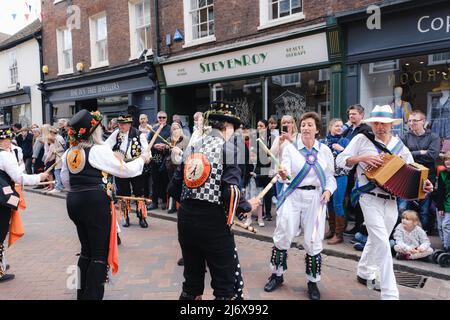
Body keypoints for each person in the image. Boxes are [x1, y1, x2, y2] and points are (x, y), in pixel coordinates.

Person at [336, 104, 433, 300]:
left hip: (391, 201)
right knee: (382, 243)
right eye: (377, 123)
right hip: (368, 198)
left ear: (391, 125)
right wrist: (362, 158)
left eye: (385, 124)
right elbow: (340, 160)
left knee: (375, 239)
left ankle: (364, 271)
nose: (380, 127)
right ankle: (390, 293)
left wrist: (426, 183)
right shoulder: (362, 139)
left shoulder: (399, 145)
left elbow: (412, 169)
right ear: (371, 124)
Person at [168, 101, 260, 300]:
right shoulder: (228, 149)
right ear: (227, 127)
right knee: (224, 285)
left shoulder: (192, 147)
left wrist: (193, 201)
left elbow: (173, 189)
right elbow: (232, 192)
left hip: (186, 220)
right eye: (233, 130)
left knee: (191, 282)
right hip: (213, 223)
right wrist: (247, 206)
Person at [61, 109, 151, 299]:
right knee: (99, 254)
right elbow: (125, 171)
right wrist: (142, 159)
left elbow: (65, 181)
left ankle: (81, 293)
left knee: (86, 251)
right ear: (94, 131)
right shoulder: (98, 150)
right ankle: (92, 296)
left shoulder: (70, 152)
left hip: (74, 202)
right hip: (94, 203)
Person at [263, 112, 336, 300]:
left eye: (310, 125)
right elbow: (285, 172)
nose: (305, 128)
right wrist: (283, 173)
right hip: (293, 195)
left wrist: (328, 191)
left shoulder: (324, 151)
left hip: (316, 199)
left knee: (313, 239)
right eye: (303, 125)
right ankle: (276, 275)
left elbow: (330, 178)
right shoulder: (290, 148)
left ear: (317, 129)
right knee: (283, 233)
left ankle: (313, 282)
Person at [0, 126, 49, 282]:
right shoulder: (5, 156)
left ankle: (1, 264)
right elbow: (19, 178)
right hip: (2, 199)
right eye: (8, 139)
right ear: (5, 140)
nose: (10, 142)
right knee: (0, 234)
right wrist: (39, 177)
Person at [105, 115, 149, 228]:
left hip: (136, 167)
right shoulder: (116, 133)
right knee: (123, 193)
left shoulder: (139, 134)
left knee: (139, 193)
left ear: (129, 124)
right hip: (121, 167)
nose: (121, 126)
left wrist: (145, 158)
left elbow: (146, 151)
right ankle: (126, 216)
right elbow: (106, 146)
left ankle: (142, 217)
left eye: (123, 124)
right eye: (119, 124)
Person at [399, 110, 440, 231]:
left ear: (423, 121)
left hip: (426, 177)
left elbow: (432, 156)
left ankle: (423, 232)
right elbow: (400, 155)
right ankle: (404, 231)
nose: (411, 123)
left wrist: (411, 155)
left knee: (424, 209)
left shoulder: (433, 137)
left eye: (414, 120)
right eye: (409, 121)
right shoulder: (405, 136)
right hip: (407, 176)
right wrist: (420, 152)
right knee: (402, 207)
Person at [341, 104, 372, 236]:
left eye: (354, 114)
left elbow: (362, 149)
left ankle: (361, 228)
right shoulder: (348, 130)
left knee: (359, 198)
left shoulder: (366, 129)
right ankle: (352, 226)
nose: (351, 116)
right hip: (347, 169)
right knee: (349, 198)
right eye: (350, 114)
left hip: (359, 169)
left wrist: (343, 149)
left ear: (361, 115)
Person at [320, 118, 350, 245]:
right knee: (329, 203)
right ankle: (331, 230)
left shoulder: (345, 141)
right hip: (327, 177)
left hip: (341, 175)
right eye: (336, 126)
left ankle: (339, 234)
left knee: (338, 203)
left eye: (341, 126)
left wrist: (342, 149)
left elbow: (351, 157)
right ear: (330, 127)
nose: (339, 128)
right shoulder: (323, 142)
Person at [148, 111, 171, 210]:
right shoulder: (153, 129)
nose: (161, 119)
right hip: (155, 156)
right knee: (155, 179)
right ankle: (154, 202)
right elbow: (148, 142)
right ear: (157, 118)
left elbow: (174, 142)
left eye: (163, 117)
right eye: (160, 117)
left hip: (166, 157)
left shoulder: (170, 129)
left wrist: (165, 146)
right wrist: (154, 145)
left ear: (166, 118)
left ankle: (165, 201)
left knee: (165, 179)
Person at [166, 122, 188, 214]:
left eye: (177, 128)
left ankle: (180, 206)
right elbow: (166, 152)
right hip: (170, 165)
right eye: (173, 129)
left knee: (181, 185)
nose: (175, 130)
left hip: (181, 165)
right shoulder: (169, 139)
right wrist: (167, 147)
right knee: (171, 184)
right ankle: (171, 206)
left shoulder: (185, 139)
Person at [436, 151, 450, 255]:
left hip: (449, 204)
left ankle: (447, 248)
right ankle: (444, 245)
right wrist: (440, 207)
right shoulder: (442, 173)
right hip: (442, 203)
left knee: (446, 225)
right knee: (440, 226)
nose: (448, 162)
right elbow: (440, 191)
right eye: (446, 159)